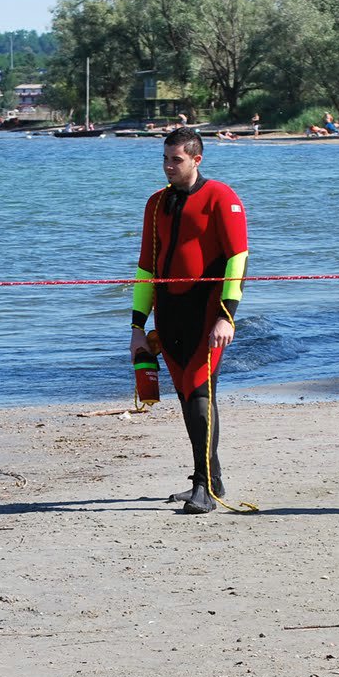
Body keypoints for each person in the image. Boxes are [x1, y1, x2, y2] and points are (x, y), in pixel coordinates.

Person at [129, 129, 248, 514]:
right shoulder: (156, 203)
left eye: (176, 160)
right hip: (169, 315)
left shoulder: (221, 197)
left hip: (207, 314)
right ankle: (210, 479)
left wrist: (227, 317)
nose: (168, 166)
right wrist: (136, 327)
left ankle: (205, 488)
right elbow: (146, 267)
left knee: (200, 394)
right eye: (165, 159)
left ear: (197, 160)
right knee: (185, 395)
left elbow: (237, 259)